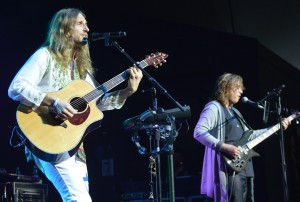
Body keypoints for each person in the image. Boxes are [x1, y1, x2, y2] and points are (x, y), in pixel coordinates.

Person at [8, 8, 143, 202]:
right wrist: (54, 102)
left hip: (73, 143)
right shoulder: (45, 56)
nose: (87, 28)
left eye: (86, 24)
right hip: (47, 137)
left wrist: (127, 91)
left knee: (80, 197)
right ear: (65, 29)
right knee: (78, 198)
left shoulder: (82, 70)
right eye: (80, 23)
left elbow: (98, 105)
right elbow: (16, 87)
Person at [193, 73, 290, 202]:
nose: (241, 91)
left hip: (245, 166)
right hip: (229, 167)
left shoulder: (236, 112)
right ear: (226, 88)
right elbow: (198, 132)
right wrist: (224, 146)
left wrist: (277, 127)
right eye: (237, 87)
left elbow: (251, 135)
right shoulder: (214, 107)